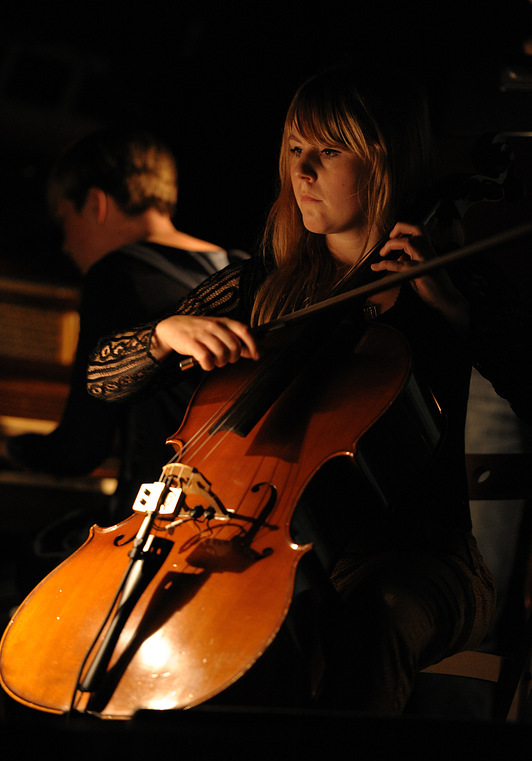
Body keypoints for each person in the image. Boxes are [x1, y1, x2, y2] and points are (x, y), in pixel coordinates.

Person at [84, 62, 518, 716]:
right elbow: (102, 379)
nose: (303, 171)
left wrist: (461, 317)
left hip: (419, 562)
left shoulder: (450, 284)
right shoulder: (259, 285)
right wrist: (163, 335)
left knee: (366, 619)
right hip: (261, 544)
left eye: (330, 150)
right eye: (294, 149)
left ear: (385, 161)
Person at [2, 129, 238, 532]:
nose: (64, 244)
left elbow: (79, 451)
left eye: (65, 221)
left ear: (95, 203)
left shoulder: (115, 274)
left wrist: (11, 445)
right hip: (232, 498)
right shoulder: (237, 265)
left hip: (158, 520)